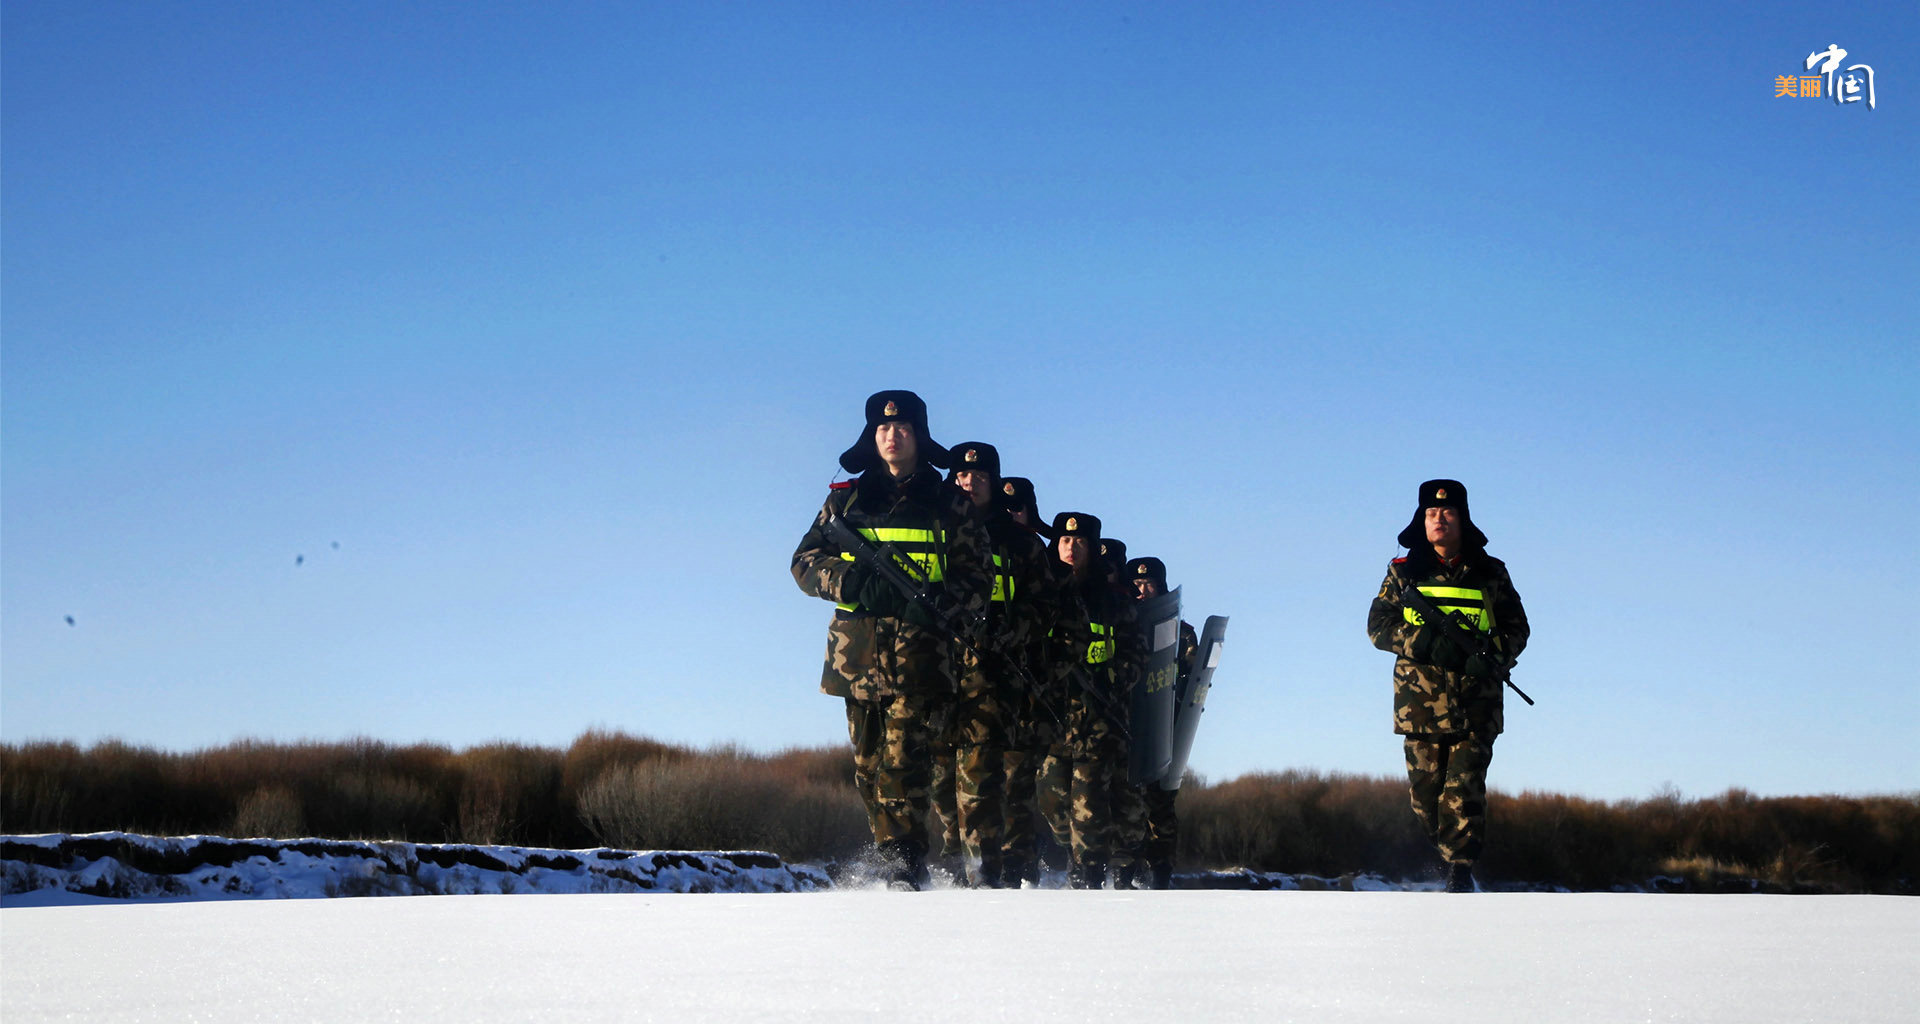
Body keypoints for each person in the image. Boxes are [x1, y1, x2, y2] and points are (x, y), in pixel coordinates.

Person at [791, 390, 992, 890]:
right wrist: (854, 582)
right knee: (869, 767)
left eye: (902, 427)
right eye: (883, 428)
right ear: (871, 435)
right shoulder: (846, 500)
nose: (892, 435)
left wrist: (944, 604)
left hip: (923, 656)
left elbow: (978, 578)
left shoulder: (950, 504)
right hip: (855, 657)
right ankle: (890, 853)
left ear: (919, 436)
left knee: (906, 763)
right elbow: (804, 563)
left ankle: (902, 862)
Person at [1366, 479, 1530, 893]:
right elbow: (1378, 626)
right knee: (1426, 799)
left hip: (1478, 703)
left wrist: (1491, 655)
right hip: (1419, 707)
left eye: (1448, 512)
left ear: (1463, 518)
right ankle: (1448, 859)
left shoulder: (1491, 573)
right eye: (1431, 514)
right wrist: (1425, 642)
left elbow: (1518, 628)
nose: (1439, 519)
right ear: (1421, 521)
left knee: (1464, 791)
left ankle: (1460, 873)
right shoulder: (1402, 573)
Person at [929, 441, 1054, 887]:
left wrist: (1007, 633)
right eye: (962, 476)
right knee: (940, 779)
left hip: (994, 674)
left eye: (980, 478)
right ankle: (952, 865)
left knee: (982, 778)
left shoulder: (1019, 544)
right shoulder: (935, 527)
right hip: (935, 670)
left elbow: (1044, 608)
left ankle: (984, 876)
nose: (969, 483)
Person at [1042, 512, 1146, 888]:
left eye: (1081, 542)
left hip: (1100, 715)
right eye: (1066, 541)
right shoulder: (1044, 592)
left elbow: (1135, 654)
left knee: (1087, 799)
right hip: (1052, 713)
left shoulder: (1112, 602)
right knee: (1053, 796)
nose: (1072, 548)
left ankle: (1089, 872)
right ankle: (1075, 854)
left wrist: (1110, 682)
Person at [994, 475, 1063, 886]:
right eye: (1006, 509)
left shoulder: (1044, 557)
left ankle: (1017, 867)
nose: (1011, 515)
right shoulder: (982, 545)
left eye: (1018, 508)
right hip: (983, 681)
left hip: (1032, 688)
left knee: (1017, 784)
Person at [1121, 555, 1199, 890]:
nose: (1142, 591)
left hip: (1164, 730)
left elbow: (1193, 676)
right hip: (1126, 728)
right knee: (1127, 807)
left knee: (1160, 806)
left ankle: (1161, 873)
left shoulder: (1182, 633)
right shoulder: (1121, 624)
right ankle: (1126, 873)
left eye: (1148, 584)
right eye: (1136, 585)